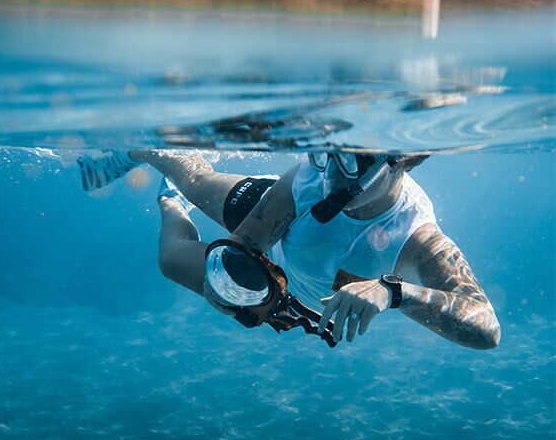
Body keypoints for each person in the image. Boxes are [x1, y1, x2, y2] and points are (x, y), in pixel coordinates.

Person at [78, 149, 501, 349]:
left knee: (170, 260)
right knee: (195, 182)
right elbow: (246, 244)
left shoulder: (416, 236)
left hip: (293, 294)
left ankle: (168, 201)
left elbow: (486, 327)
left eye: (353, 160)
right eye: (325, 154)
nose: (333, 176)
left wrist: (394, 292)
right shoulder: (307, 180)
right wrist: (229, 284)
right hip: (284, 227)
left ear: (407, 158)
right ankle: (143, 150)